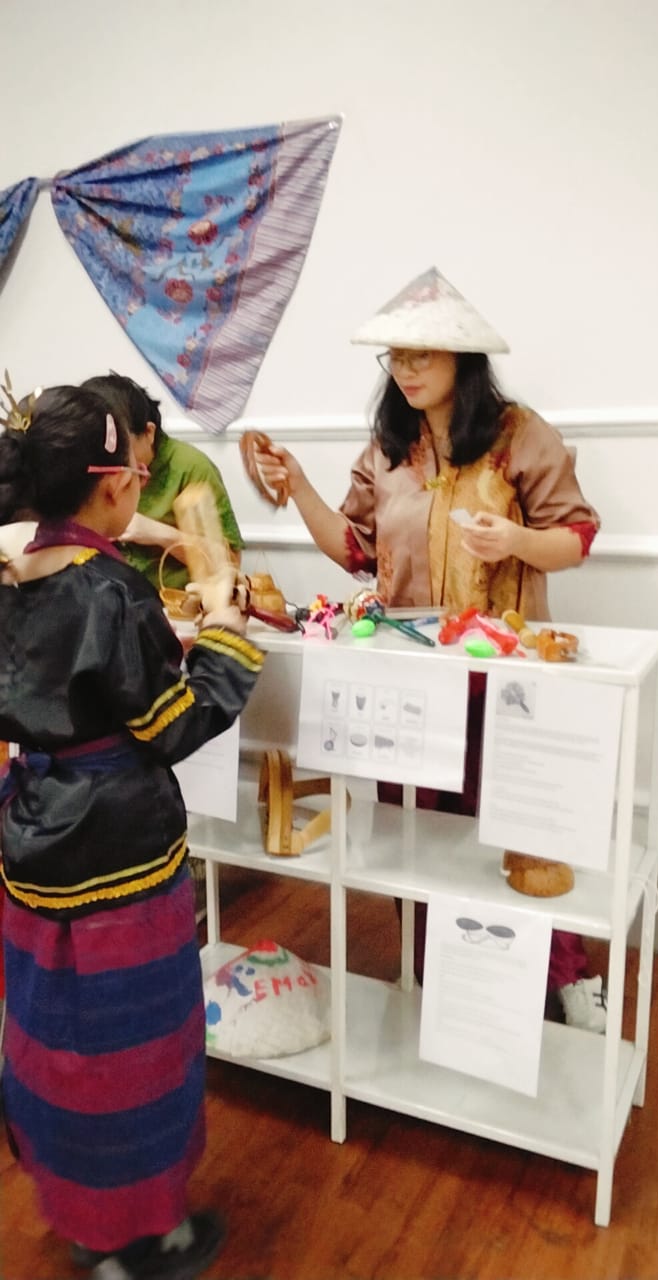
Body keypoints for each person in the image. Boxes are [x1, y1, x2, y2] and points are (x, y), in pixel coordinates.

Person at [245, 266, 607, 1034]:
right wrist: (300, 485)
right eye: (396, 357)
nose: (405, 370)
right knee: (416, 834)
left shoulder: (519, 435)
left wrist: (515, 541)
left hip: (501, 677)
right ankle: (440, 972)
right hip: (409, 676)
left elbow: (575, 537)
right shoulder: (388, 448)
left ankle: (565, 977)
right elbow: (354, 549)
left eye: (422, 355)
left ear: (461, 359)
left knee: (521, 830)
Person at [0, 384, 265, 1280]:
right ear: (116, 484)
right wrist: (225, 632)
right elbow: (170, 724)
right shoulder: (110, 591)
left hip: (33, 835)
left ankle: (86, 1223)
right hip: (118, 853)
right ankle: (141, 1240)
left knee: (56, 1046)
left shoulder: (12, 572)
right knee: (132, 1053)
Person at [82, 373, 243, 591]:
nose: (114, 462)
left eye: (123, 448)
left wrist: (156, 533)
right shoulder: (91, 468)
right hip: (109, 600)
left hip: (180, 603)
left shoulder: (189, 466)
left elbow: (231, 564)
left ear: (149, 432)